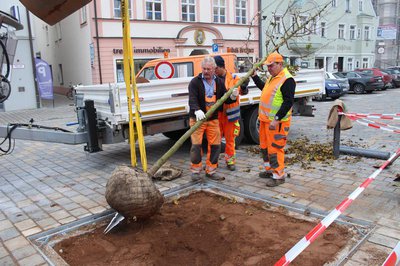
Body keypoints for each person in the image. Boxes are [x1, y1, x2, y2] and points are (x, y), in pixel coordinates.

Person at [188, 56, 238, 181]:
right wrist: (197, 109)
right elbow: (192, 99)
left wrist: (233, 96)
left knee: (215, 145)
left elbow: (225, 98)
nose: (206, 71)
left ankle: (211, 170)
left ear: (214, 69)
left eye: (209, 69)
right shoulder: (195, 82)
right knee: (196, 146)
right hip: (198, 119)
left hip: (213, 119)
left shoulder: (219, 82)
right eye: (204, 69)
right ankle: (195, 171)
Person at [251, 52, 296, 187]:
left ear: (280, 64)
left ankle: (278, 175)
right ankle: (269, 170)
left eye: (271, 66)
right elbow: (264, 90)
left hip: (277, 123)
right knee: (264, 147)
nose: (269, 68)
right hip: (265, 121)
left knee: (275, 149)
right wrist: (255, 77)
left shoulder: (287, 80)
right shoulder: (273, 78)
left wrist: (276, 119)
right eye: (268, 66)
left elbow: (288, 103)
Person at [214, 55, 248, 171]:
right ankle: (213, 162)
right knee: (214, 140)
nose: (213, 71)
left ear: (220, 67)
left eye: (215, 68)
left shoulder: (234, 78)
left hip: (230, 115)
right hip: (217, 114)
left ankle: (230, 161)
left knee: (230, 140)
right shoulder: (213, 79)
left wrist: (243, 88)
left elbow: (241, 92)